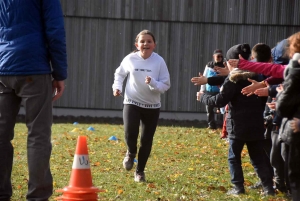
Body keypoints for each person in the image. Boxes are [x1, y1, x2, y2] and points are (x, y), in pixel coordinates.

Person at [0, 0, 68, 200]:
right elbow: (55, 31)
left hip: (3, 67)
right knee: (38, 135)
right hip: (34, 68)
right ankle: (37, 196)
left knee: (1, 136)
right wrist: (60, 73)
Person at [198, 44, 275, 196]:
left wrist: (203, 97)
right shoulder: (258, 76)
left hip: (237, 125)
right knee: (258, 158)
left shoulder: (232, 80)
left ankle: (238, 187)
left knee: (234, 158)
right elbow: (262, 99)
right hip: (255, 124)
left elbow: (220, 100)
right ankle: (268, 188)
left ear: (230, 62)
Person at [112, 30, 170, 182]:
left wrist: (153, 83)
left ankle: (140, 171)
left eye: (149, 41)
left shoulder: (159, 61)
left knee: (146, 140)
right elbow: (119, 74)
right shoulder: (130, 59)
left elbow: (165, 85)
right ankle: (131, 152)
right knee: (130, 132)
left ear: (154, 45)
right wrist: (116, 87)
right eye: (142, 41)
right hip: (132, 102)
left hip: (152, 106)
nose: (146, 44)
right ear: (137, 45)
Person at [199, 49, 225, 129]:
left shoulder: (224, 65)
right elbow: (204, 77)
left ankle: (220, 125)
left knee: (221, 109)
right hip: (209, 91)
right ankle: (211, 125)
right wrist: (202, 90)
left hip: (219, 91)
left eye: (221, 56)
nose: (220, 58)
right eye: (218, 56)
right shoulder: (209, 65)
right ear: (213, 56)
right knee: (209, 109)